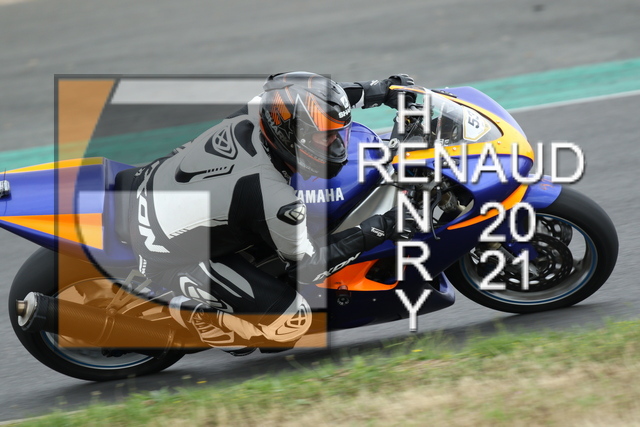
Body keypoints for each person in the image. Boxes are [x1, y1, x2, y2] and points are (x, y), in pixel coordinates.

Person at [127, 72, 418, 355]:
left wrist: (380, 89)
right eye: (325, 138)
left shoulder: (264, 109)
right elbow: (309, 267)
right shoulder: (275, 198)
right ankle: (181, 311)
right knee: (289, 324)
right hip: (164, 251)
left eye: (338, 134)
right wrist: (381, 227)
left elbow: (313, 100)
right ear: (292, 135)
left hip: (152, 182)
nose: (338, 144)